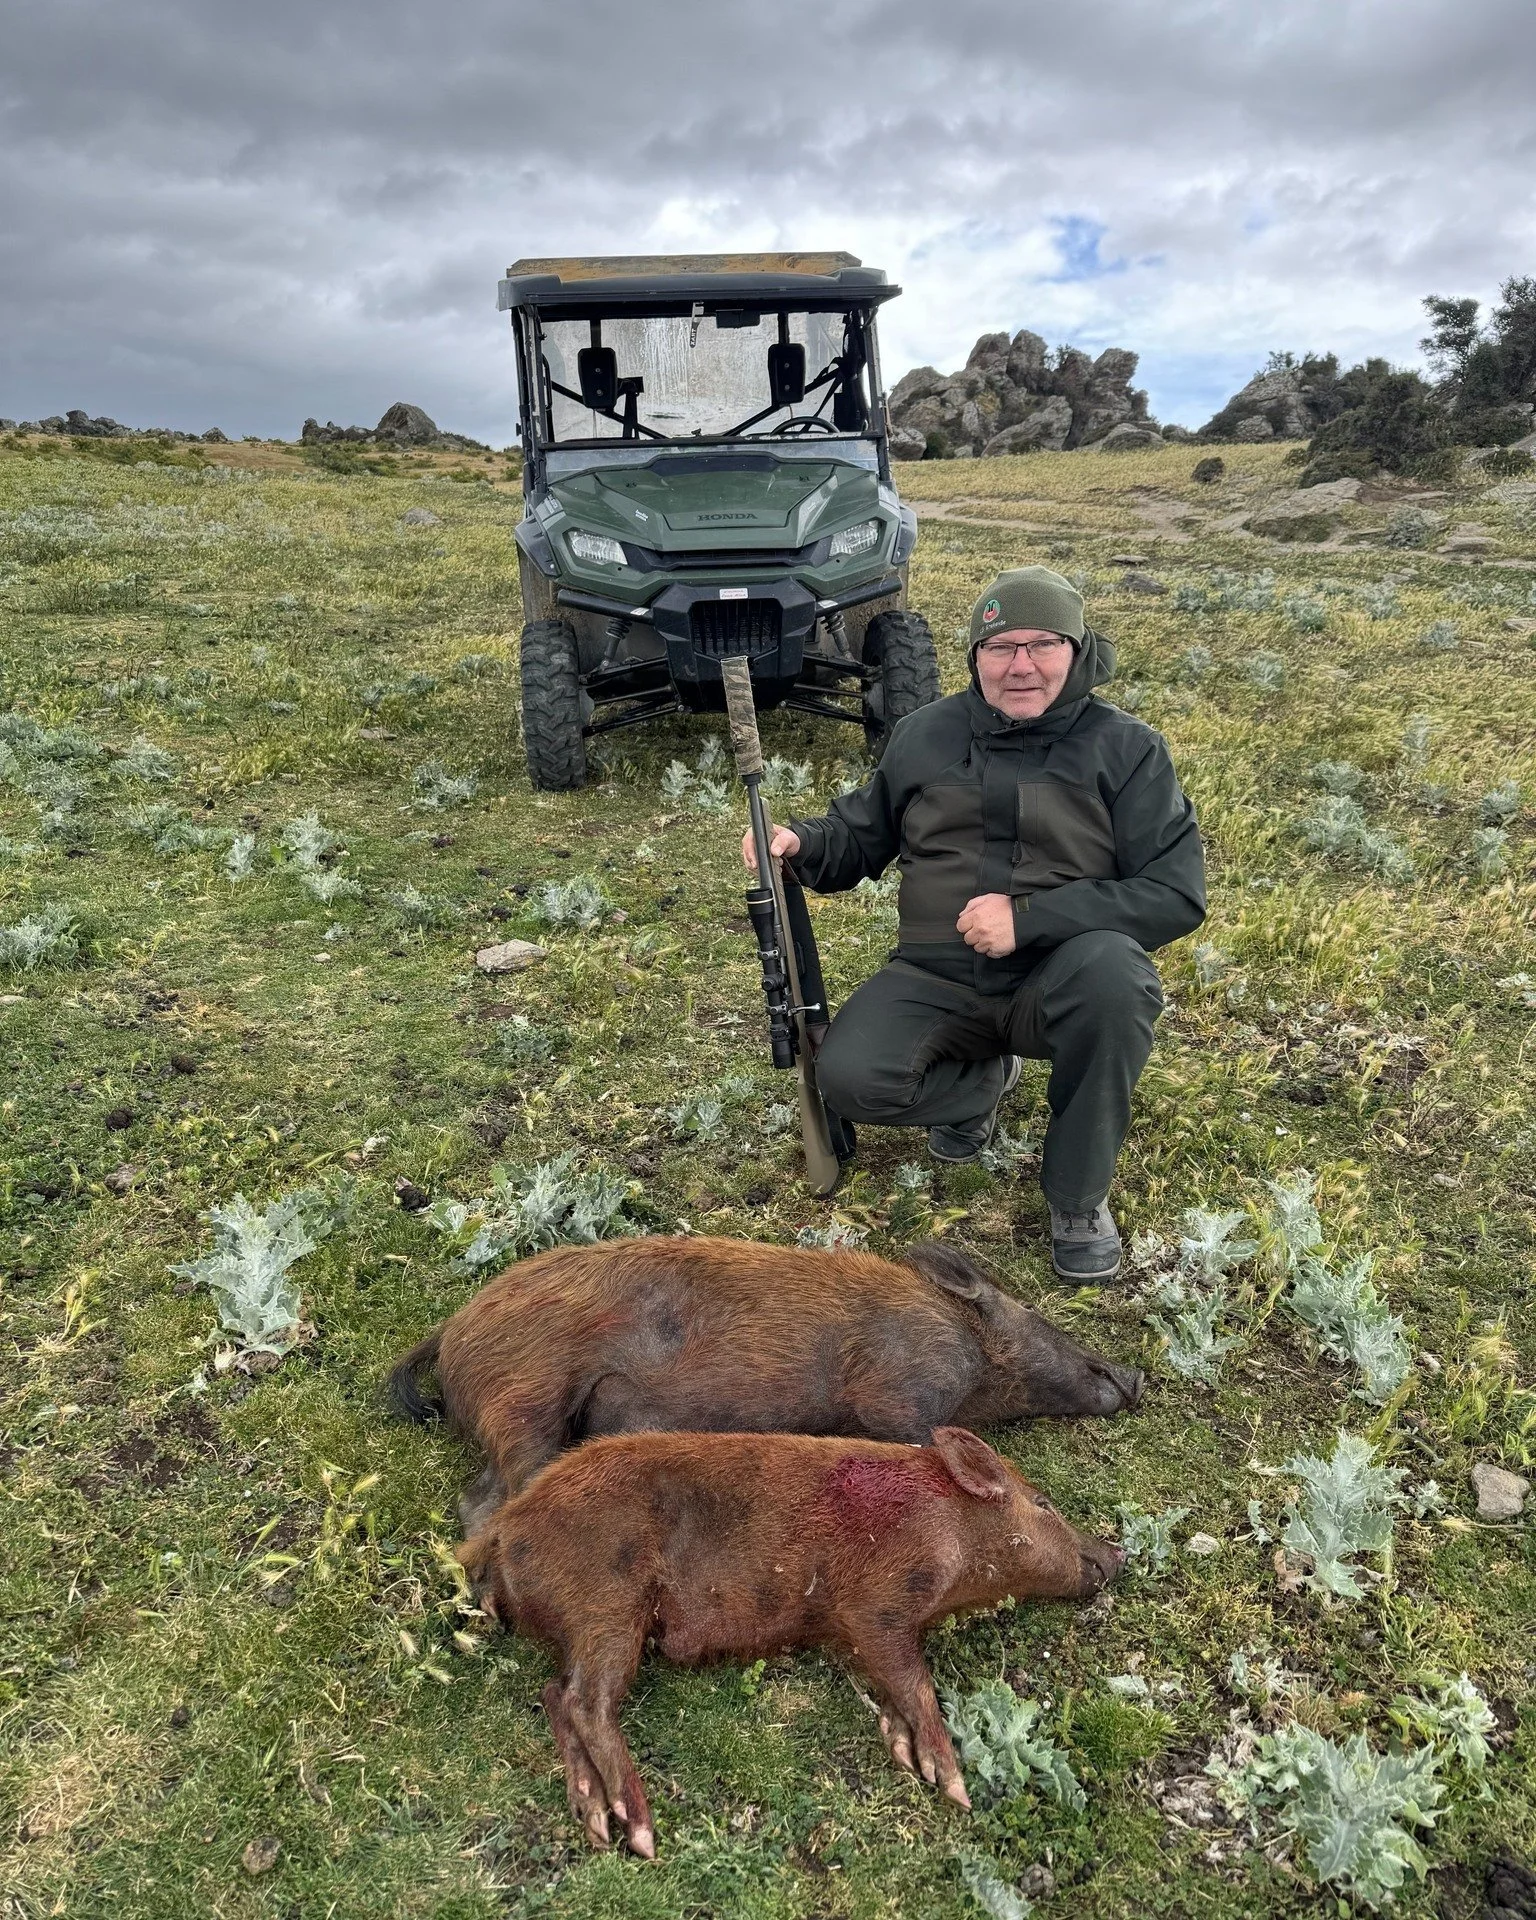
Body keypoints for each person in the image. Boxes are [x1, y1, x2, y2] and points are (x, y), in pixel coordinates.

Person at [741, 565, 1206, 1282]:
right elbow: (862, 835)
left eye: (1042, 645)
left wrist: (1030, 919)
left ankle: (1077, 1198)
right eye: (1000, 647)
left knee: (1119, 980)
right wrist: (801, 843)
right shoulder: (925, 733)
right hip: (935, 977)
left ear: (1077, 652)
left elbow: (1174, 893)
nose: (1021, 665)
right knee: (850, 1080)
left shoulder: (1128, 748)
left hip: (1061, 977)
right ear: (975, 657)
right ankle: (983, 1086)